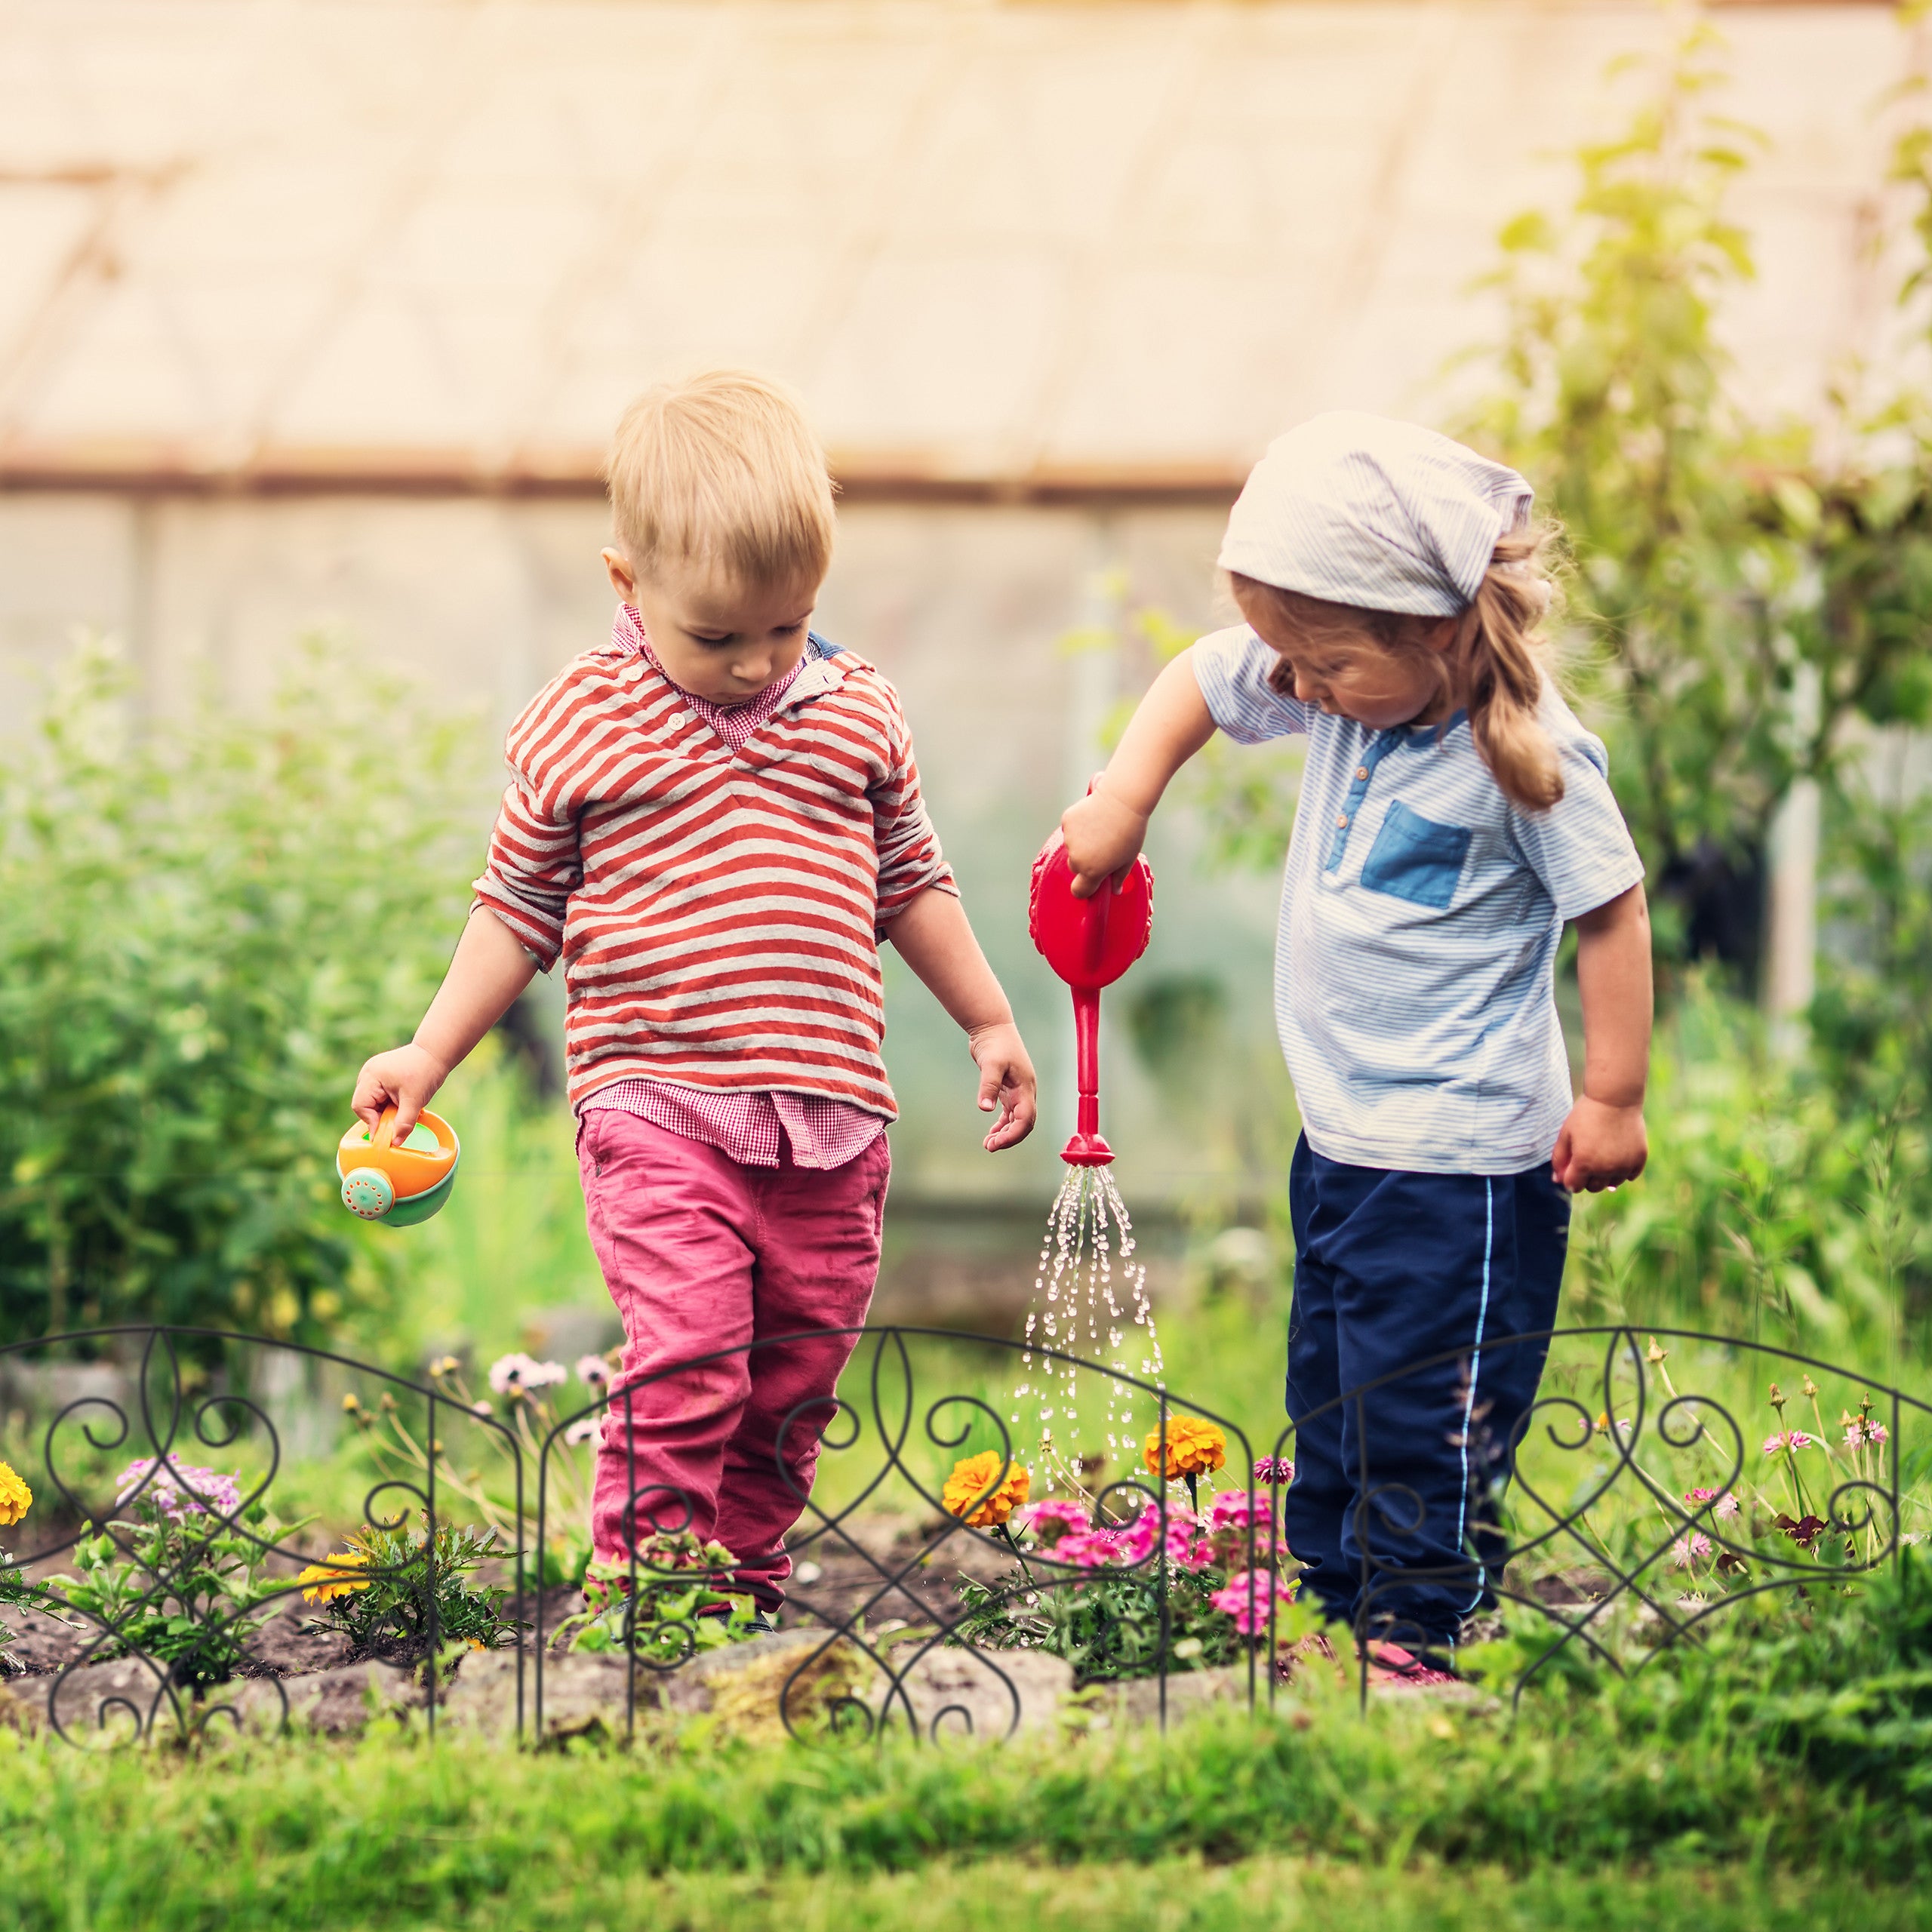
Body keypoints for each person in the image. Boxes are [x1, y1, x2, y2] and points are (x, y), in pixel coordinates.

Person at [352, 370, 1038, 1619]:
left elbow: (913, 882)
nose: (755, 663)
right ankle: (648, 1586)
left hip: (833, 1114)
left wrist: (988, 1018)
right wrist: (430, 1051)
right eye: (717, 637)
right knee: (693, 1352)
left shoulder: (857, 715)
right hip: (656, 1100)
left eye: (786, 628)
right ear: (628, 584)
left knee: (797, 1370)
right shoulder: (584, 721)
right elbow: (515, 908)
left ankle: (745, 1573)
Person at [1059, 412, 1651, 1675]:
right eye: (1294, 660)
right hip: (1346, 1139)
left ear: (1431, 628)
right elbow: (1198, 681)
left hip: (1463, 1158)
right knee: (1332, 1381)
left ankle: (1419, 1624)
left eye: (1323, 663)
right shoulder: (1341, 685)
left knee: (1425, 1402)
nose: (1299, 687)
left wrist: (1613, 1094)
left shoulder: (1531, 755)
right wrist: (1121, 800)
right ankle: (1334, 1593)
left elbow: (1612, 911)